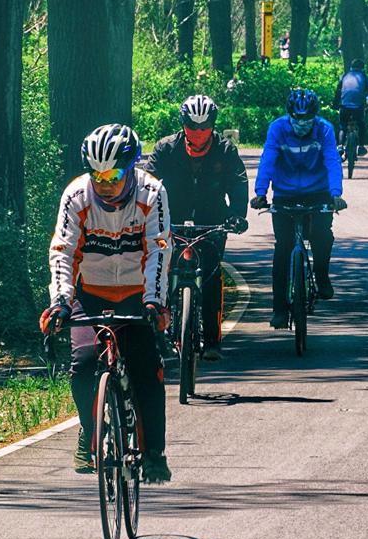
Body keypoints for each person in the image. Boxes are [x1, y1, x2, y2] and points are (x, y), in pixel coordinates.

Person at [47, 124, 175, 480]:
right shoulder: (77, 196)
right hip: (90, 294)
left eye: (114, 175)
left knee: (147, 370)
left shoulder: (152, 193)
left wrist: (154, 301)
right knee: (85, 365)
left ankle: (154, 454)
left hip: (137, 293)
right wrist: (60, 302)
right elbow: (63, 251)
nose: (105, 183)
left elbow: (159, 250)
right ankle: (90, 429)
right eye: (97, 174)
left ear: (131, 168)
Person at [142, 95, 250, 362]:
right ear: (183, 125)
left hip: (212, 219)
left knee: (212, 273)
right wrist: (143, 214)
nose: (199, 133)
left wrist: (237, 216)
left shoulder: (225, 150)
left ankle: (212, 340)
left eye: (204, 128)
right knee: (162, 270)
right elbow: (147, 184)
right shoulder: (166, 148)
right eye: (192, 127)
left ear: (212, 126)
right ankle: (158, 335)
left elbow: (238, 184)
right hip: (170, 217)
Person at [251, 89, 347, 329]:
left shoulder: (324, 129)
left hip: (318, 192)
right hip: (285, 194)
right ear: (289, 114)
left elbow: (332, 161)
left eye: (307, 118)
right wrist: (261, 193)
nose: (302, 123)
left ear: (315, 116)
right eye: (297, 118)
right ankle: (280, 310)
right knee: (283, 249)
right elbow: (268, 160)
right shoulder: (277, 128)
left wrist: (336, 194)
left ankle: (322, 276)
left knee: (321, 236)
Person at [334, 61, 368, 155]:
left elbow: (338, 91)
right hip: (358, 107)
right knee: (361, 125)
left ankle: (340, 146)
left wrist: (335, 104)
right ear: (362, 68)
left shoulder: (344, 76)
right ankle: (360, 147)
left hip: (344, 106)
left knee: (343, 127)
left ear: (351, 67)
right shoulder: (364, 76)